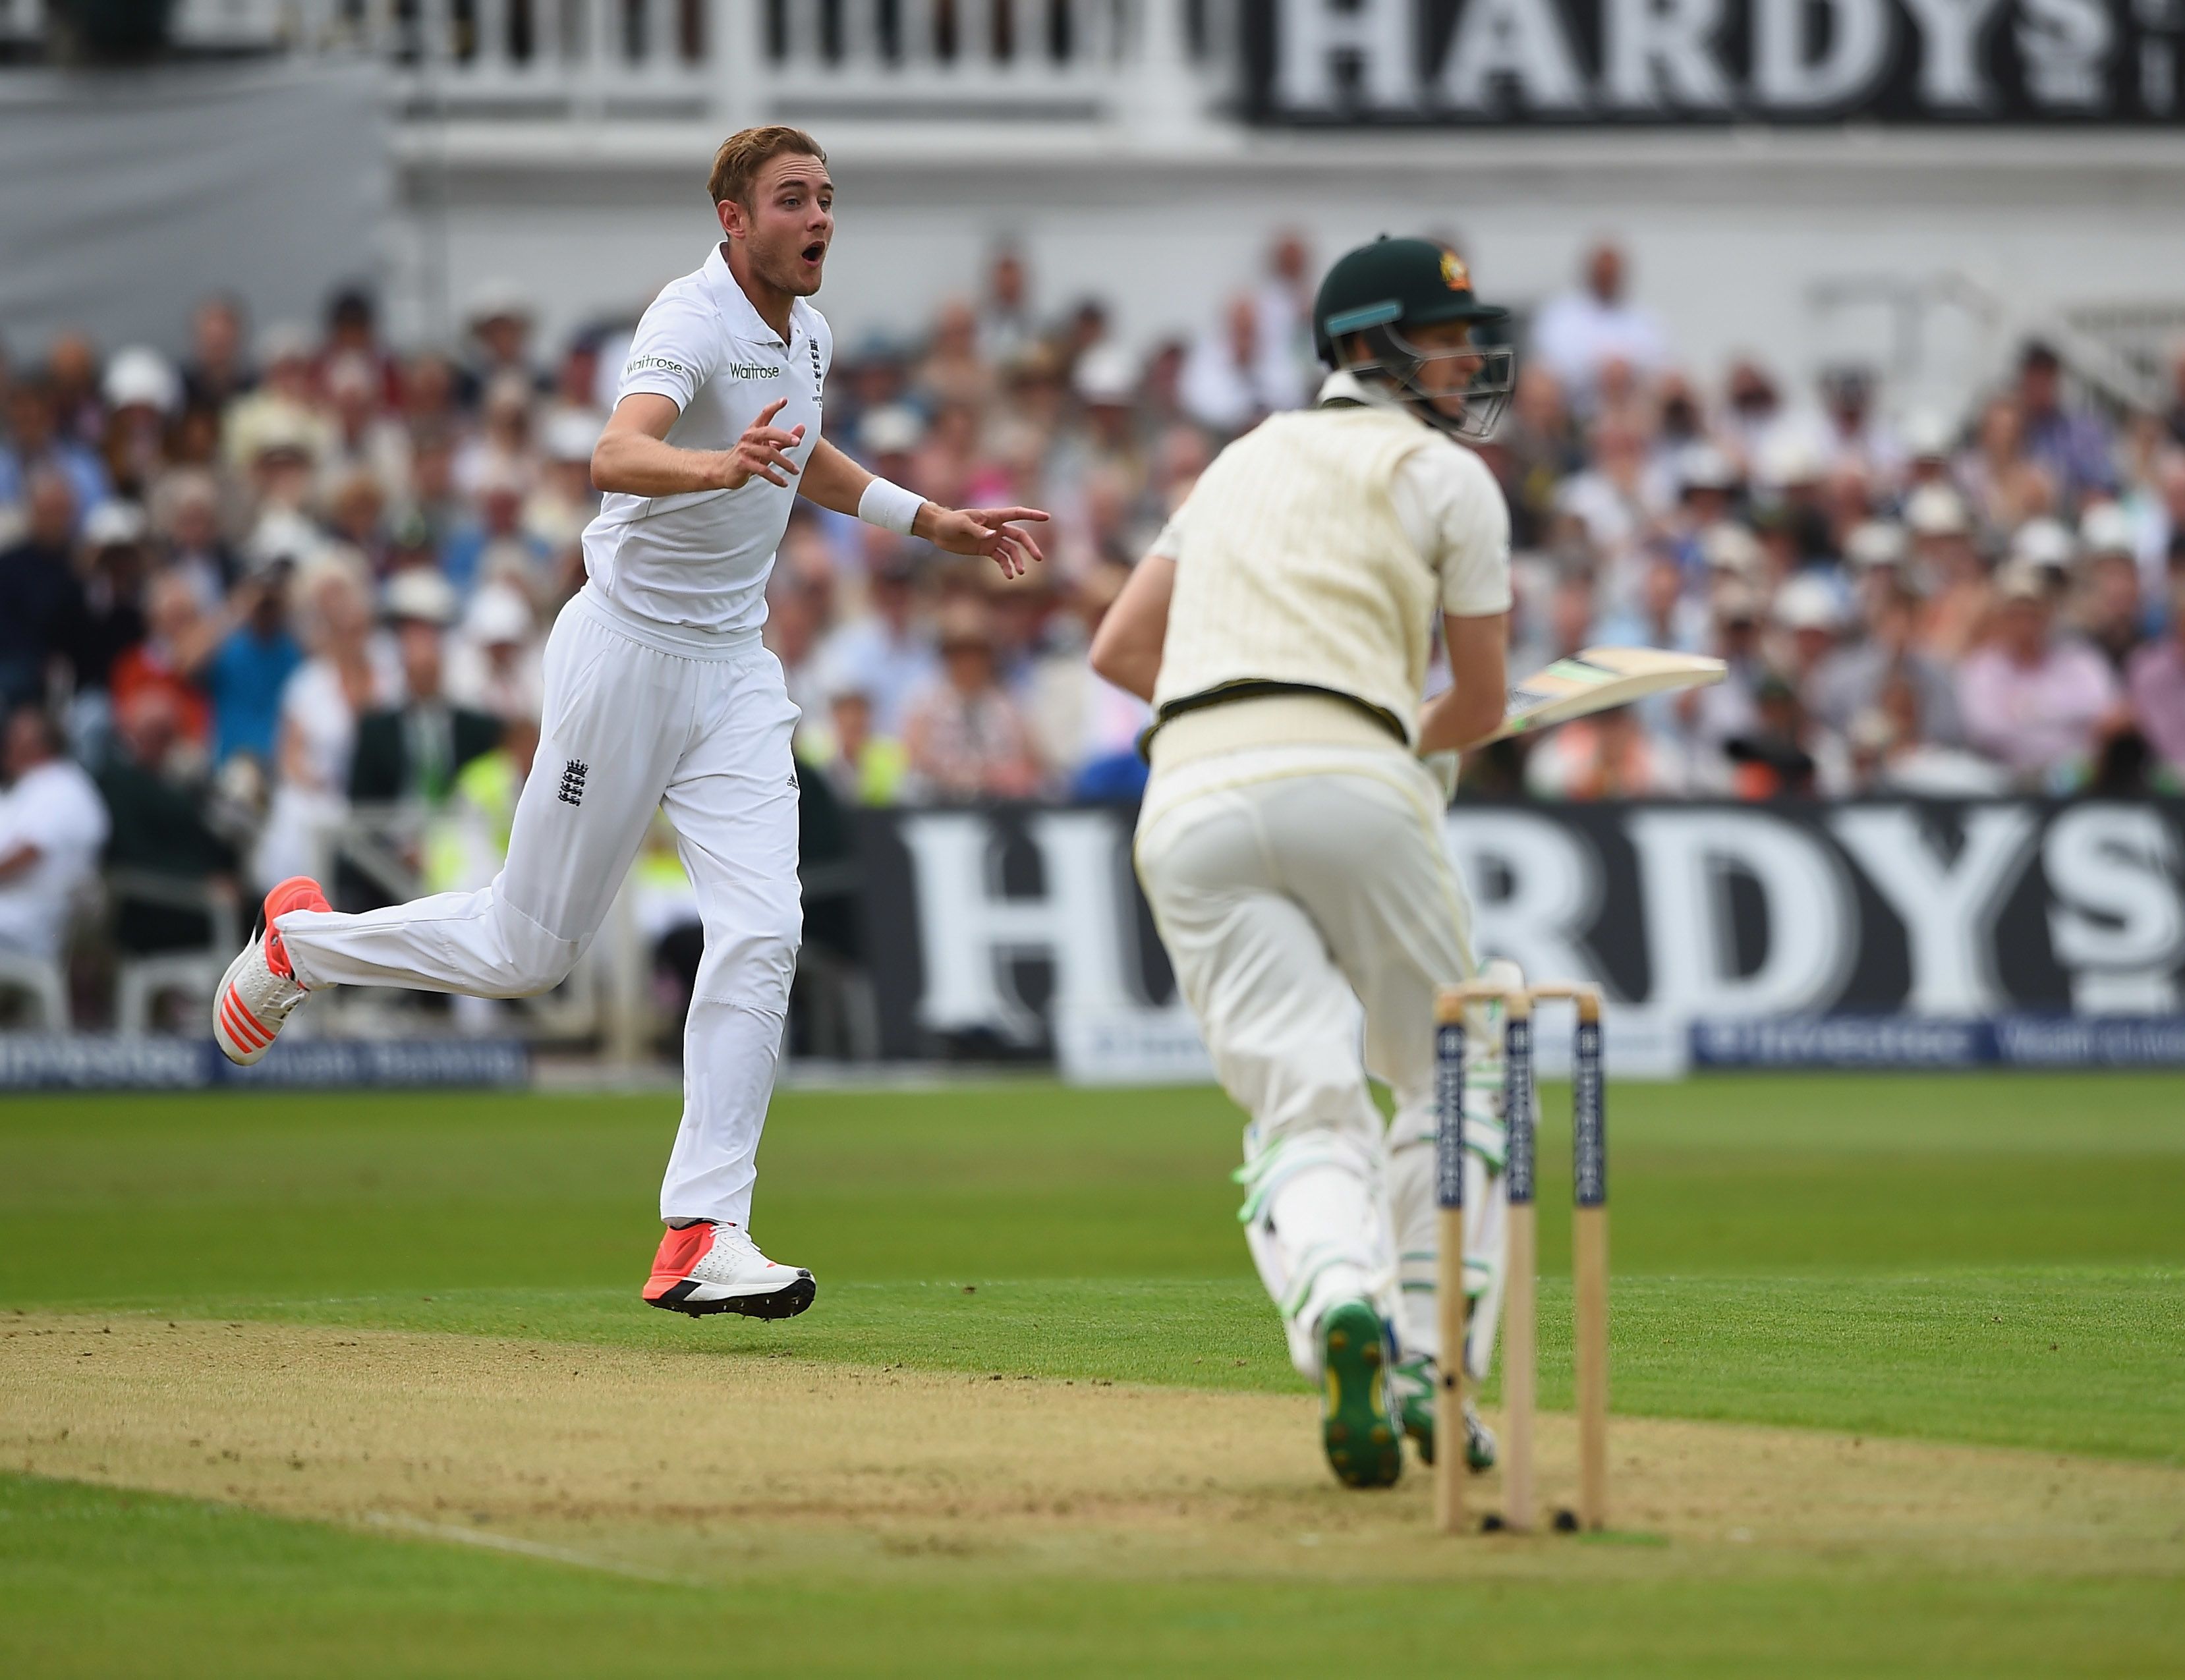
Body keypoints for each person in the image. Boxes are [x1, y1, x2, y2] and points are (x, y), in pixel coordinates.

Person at [213, 126, 1047, 1324]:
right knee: (526, 952)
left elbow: (806, 457)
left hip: (733, 670)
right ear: (731, 217)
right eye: (792, 201)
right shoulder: (691, 317)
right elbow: (615, 453)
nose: (818, 220)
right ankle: (304, 947)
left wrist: (933, 522)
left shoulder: (805, 336)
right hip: (624, 654)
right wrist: (714, 469)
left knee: (765, 928)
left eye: (826, 200)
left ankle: (704, 1228)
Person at [1090, 236, 1516, 1490]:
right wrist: (1402, 745)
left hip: (1188, 797)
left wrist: (1251, 718)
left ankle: (1341, 1295)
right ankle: (1434, 1370)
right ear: (1367, 345)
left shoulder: (1237, 461)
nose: (1464, 358)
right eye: (1440, 337)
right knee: (1455, 1078)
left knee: (1298, 1097)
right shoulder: (1448, 477)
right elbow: (1480, 700)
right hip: (1356, 784)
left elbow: (1121, 652)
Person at [0, 706, 109, 963]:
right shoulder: (33, 786)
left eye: (13, 738)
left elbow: (30, 851)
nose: (6, 746)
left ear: (38, 745)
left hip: (25, 925)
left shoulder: (62, 786)